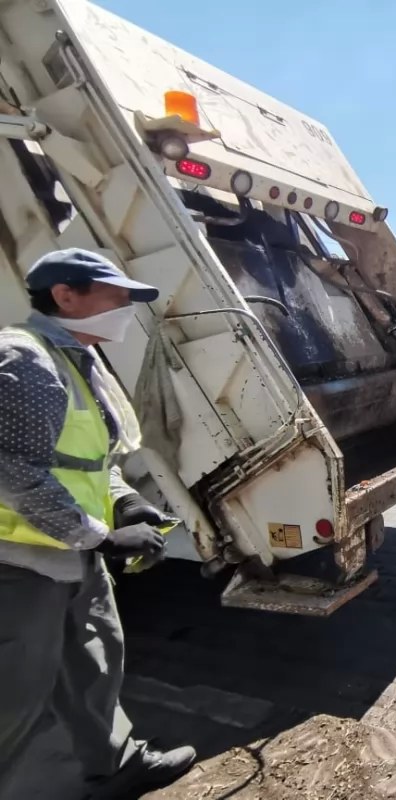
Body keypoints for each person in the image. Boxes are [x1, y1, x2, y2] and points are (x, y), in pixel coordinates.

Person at [0, 249, 196, 799]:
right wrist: (102, 536)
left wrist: (126, 502)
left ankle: (115, 765)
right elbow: (14, 473)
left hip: (71, 554)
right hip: (19, 564)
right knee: (14, 694)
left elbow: (89, 461)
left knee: (95, 662)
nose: (127, 308)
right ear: (66, 296)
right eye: (117, 296)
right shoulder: (25, 361)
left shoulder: (76, 359)